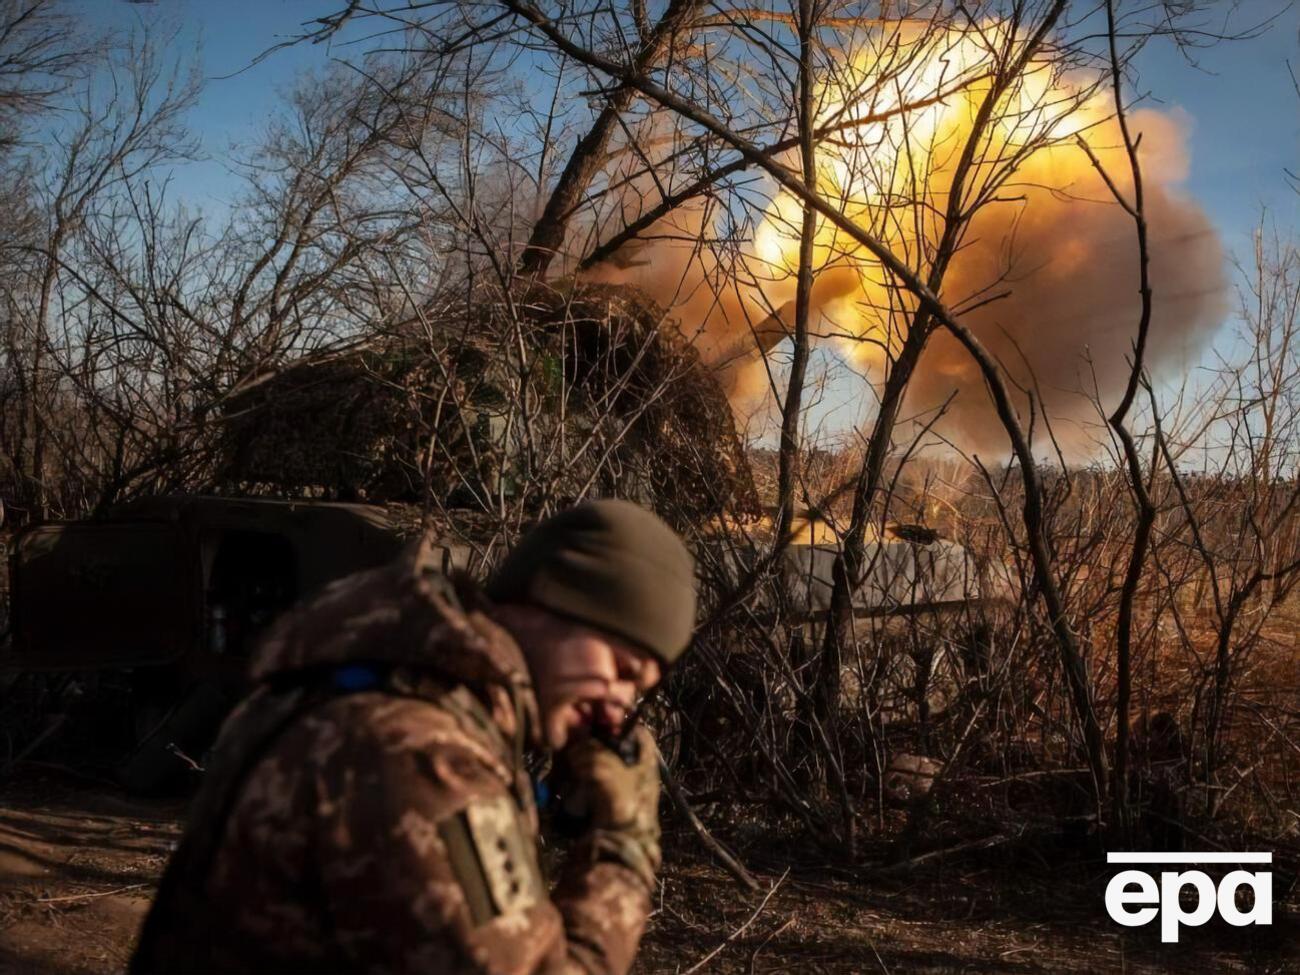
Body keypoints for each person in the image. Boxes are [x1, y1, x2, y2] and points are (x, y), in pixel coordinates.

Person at [130, 499, 697, 974]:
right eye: (620, 670)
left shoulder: (369, 682)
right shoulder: (422, 755)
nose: (619, 708)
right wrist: (624, 840)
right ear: (555, 600)